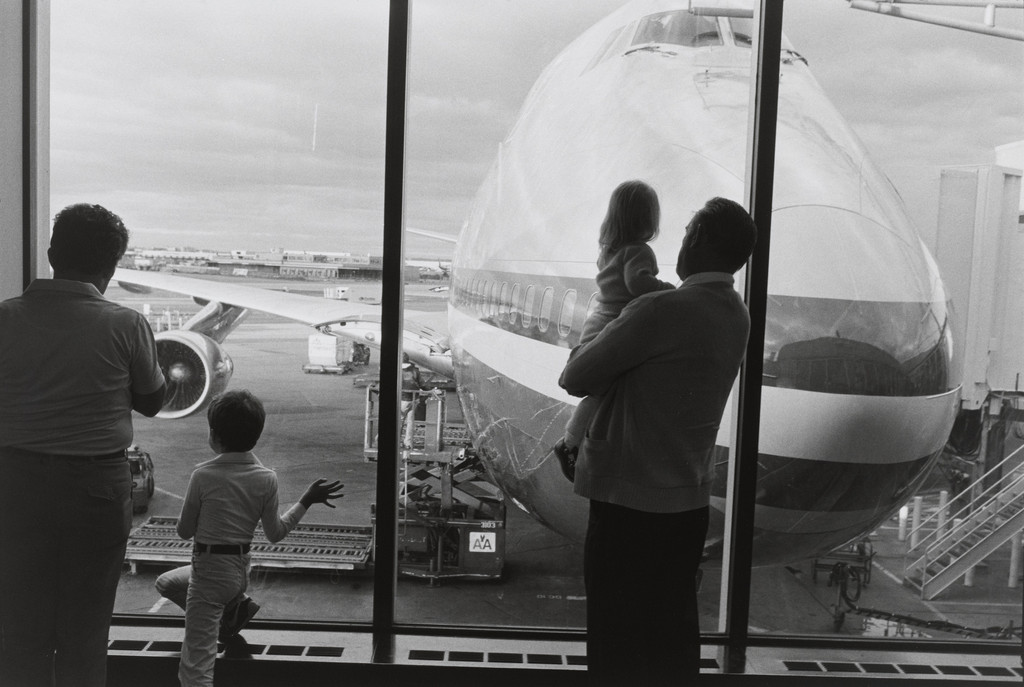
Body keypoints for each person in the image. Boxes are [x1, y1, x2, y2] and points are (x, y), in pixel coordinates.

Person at [558, 197, 756, 686]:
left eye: (689, 231)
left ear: (700, 241)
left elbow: (576, 376)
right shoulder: (737, 314)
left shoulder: (660, 309)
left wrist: (597, 327)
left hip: (628, 508)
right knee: (671, 641)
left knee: (616, 646)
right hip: (686, 506)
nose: (681, 240)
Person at [0, 203, 167, 687]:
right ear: (111, 267)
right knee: (86, 630)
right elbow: (153, 401)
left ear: (52, 253)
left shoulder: (5, 319)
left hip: (15, 485)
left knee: (19, 629)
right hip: (95, 488)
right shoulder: (125, 325)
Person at [154, 389, 343, 687]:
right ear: (255, 436)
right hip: (238, 573)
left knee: (195, 670)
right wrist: (305, 500)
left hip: (207, 577)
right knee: (166, 583)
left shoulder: (202, 476)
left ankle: (228, 612)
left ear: (214, 436)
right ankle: (232, 610)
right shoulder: (267, 478)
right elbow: (275, 533)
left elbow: (184, 531)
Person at [553, 180, 674, 480]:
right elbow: (638, 285)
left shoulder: (609, 250)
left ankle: (572, 442)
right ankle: (570, 443)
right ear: (648, 219)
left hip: (598, 319)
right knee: (603, 392)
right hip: (614, 324)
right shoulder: (639, 252)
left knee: (599, 391)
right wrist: (667, 291)